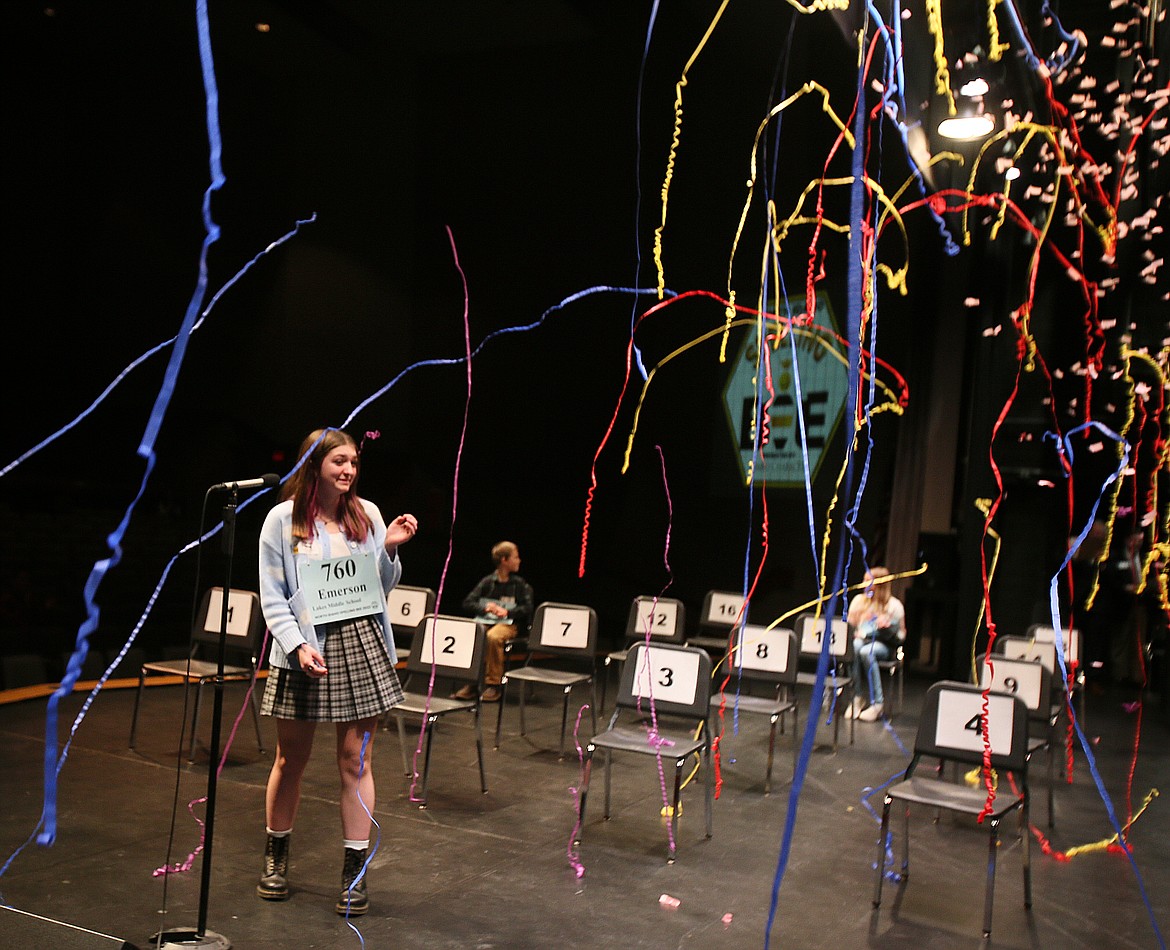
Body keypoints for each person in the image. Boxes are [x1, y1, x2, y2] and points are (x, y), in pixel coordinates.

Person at [255, 428, 418, 917]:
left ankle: (354, 871)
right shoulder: (281, 521)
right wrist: (297, 645)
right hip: (306, 650)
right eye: (339, 462)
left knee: (356, 763)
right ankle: (276, 856)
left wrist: (388, 548)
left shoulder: (366, 514)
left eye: (353, 463)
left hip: (361, 645)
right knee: (291, 760)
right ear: (314, 463)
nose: (348, 471)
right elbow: (272, 595)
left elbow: (379, 587)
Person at [456, 541, 534, 702]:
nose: (519, 560)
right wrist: (486, 608)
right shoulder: (488, 582)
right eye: (516, 557)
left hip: (509, 624)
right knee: (474, 634)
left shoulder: (519, 584)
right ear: (504, 560)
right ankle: (472, 681)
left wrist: (507, 611)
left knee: (493, 636)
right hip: (487, 621)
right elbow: (468, 602)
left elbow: (527, 607)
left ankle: (493, 684)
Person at [846, 566, 905, 722]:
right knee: (856, 647)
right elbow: (849, 627)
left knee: (866, 651)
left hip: (884, 645)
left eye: (868, 581)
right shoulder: (859, 601)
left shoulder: (894, 606)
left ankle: (877, 704)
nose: (863, 584)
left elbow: (901, 636)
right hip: (861, 642)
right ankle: (857, 697)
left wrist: (885, 628)